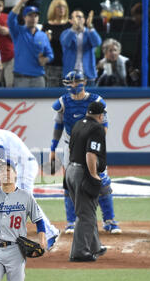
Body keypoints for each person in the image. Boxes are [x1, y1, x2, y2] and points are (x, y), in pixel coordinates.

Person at [0, 116, 60, 250]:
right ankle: (3, 235)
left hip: (23, 167)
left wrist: (3, 174)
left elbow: (0, 153)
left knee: (24, 200)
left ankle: (51, 233)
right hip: (21, 166)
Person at [50, 70, 122, 235]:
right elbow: (58, 127)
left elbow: (103, 125)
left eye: (76, 82)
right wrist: (53, 148)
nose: (73, 86)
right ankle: (71, 221)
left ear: (84, 82)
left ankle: (109, 220)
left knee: (102, 181)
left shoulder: (96, 101)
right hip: (70, 145)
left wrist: (94, 144)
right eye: (70, 83)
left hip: (92, 145)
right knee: (70, 183)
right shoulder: (62, 102)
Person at [65, 101, 108, 262]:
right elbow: (91, 153)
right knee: (86, 214)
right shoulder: (97, 128)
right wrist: (93, 175)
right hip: (83, 172)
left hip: (71, 170)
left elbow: (71, 148)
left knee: (87, 211)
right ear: (100, 115)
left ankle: (94, 246)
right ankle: (79, 252)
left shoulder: (78, 124)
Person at [8, 0, 54, 88]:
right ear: (24, 17)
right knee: (21, 103)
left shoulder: (43, 35)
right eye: (30, 15)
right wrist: (21, 2)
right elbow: (11, 18)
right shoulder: (18, 31)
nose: (33, 18)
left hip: (38, 77)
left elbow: (50, 54)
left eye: (35, 16)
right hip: (21, 78)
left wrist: (45, 59)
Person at [60, 9, 102, 85]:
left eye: (79, 17)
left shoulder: (89, 32)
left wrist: (90, 27)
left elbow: (97, 43)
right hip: (70, 75)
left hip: (88, 74)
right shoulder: (66, 33)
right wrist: (73, 29)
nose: (77, 20)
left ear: (84, 19)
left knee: (89, 96)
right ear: (71, 21)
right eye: (74, 17)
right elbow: (65, 43)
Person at [42, 0, 70, 87]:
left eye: (64, 6)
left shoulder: (70, 25)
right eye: (59, 6)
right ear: (53, 9)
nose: (62, 9)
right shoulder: (46, 26)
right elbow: (41, 47)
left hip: (68, 65)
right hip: (51, 66)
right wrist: (46, 41)